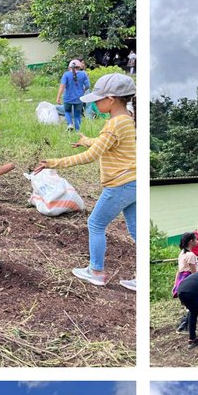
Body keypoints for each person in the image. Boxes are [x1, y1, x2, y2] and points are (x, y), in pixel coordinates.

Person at [36, 73, 137, 290]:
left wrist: (54, 162)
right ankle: (140, 277)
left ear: (111, 99)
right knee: (136, 230)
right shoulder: (127, 118)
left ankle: (96, 271)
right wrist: (86, 141)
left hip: (119, 184)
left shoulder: (113, 124)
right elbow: (106, 144)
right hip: (133, 183)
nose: (95, 103)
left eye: (98, 99)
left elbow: (91, 156)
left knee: (95, 223)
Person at [57, 60, 92, 130]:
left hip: (68, 98)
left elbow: (62, 86)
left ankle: (70, 124)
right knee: (77, 115)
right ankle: (77, 130)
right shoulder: (83, 74)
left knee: (67, 111)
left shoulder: (66, 75)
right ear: (79, 67)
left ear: (69, 67)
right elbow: (87, 86)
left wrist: (58, 97)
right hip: (79, 98)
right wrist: (83, 91)